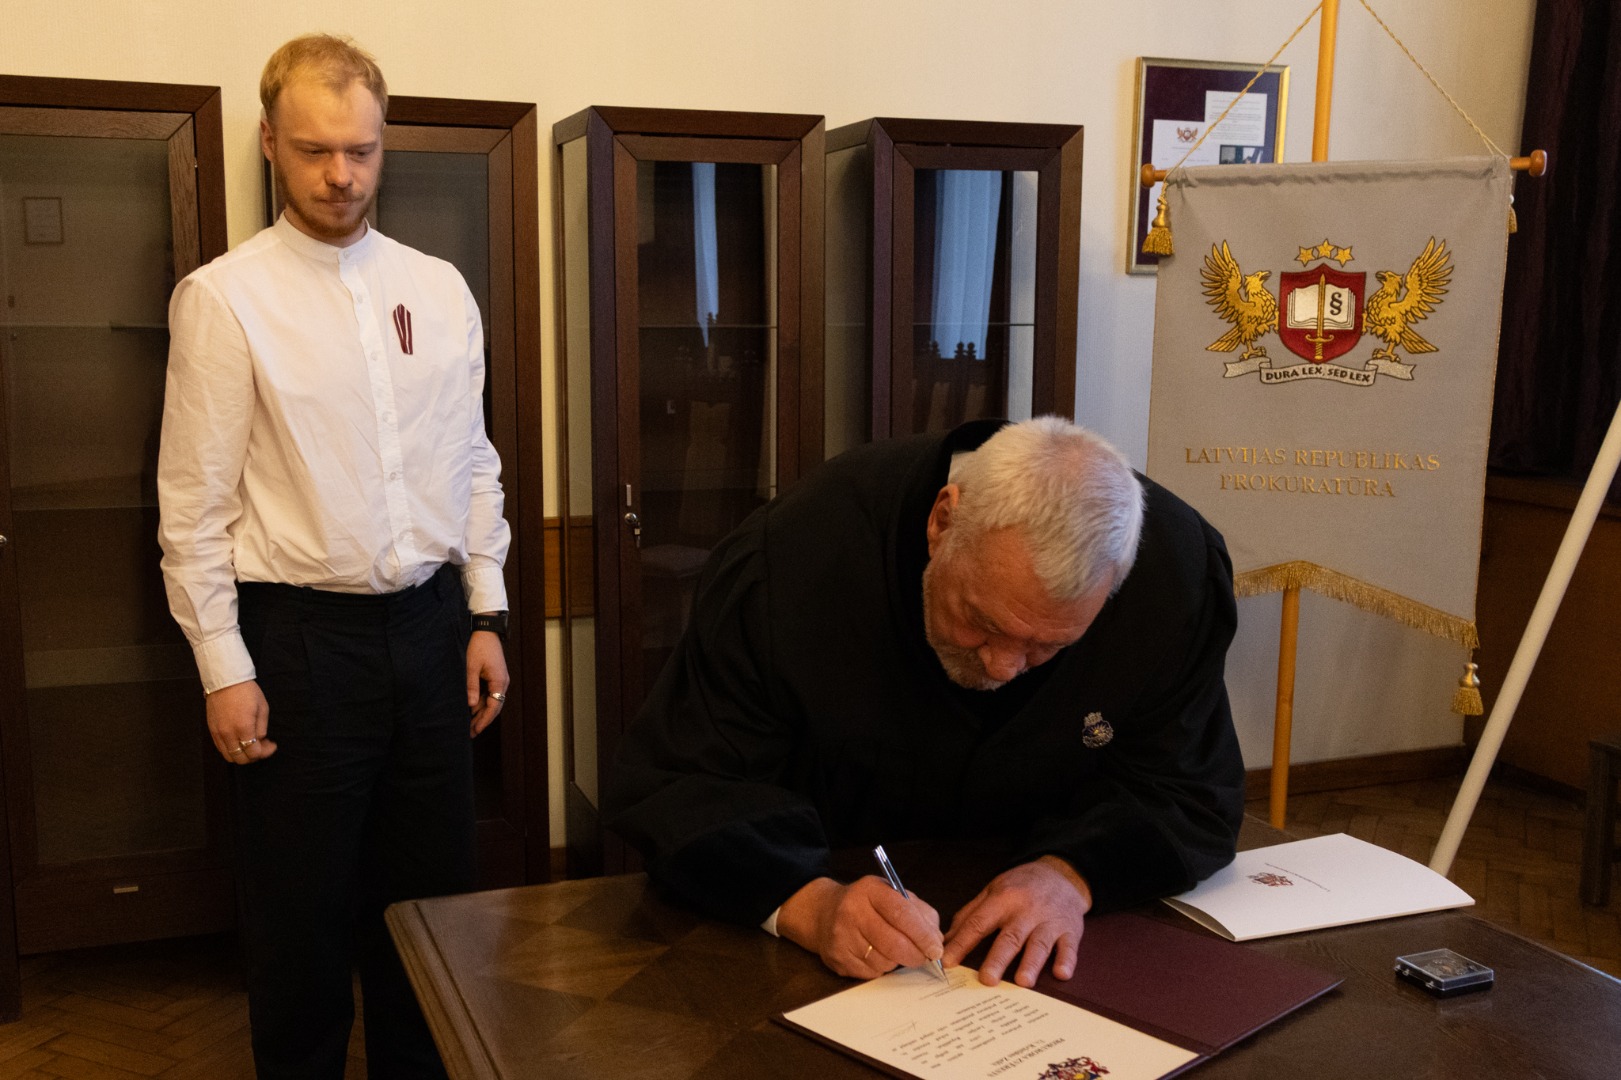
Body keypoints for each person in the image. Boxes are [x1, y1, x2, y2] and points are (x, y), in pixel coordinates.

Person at [157, 34, 510, 1080]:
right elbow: (193, 506)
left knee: (431, 910)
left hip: (431, 630)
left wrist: (484, 612)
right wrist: (223, 668)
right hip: (299, 642)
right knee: (299, 917)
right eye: (315, 150)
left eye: (361, 150)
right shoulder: (225, 298)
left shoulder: (439, 290)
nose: (341, 174)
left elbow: (472, 459)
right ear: (271, 141)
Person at [606, 416, 1243, 989]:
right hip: (817, 942)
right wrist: (811, 903)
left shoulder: (1172, 575)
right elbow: (684, 783)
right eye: (982, 622)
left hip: (1033, 957)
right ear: (942, 521)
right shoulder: (795, 556)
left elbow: (1187, 788)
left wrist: (1071, 873)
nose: (1002, 668)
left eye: (1048, 646)